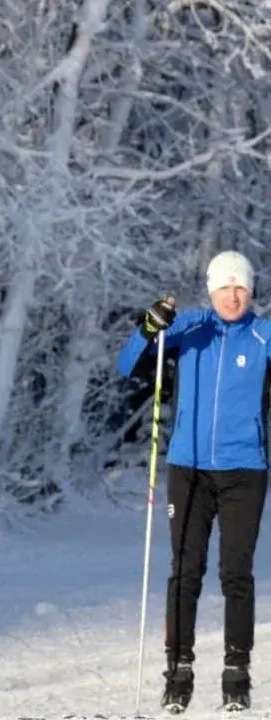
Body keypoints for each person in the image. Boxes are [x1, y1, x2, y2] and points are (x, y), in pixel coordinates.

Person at [117, 250, 271, 713]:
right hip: (190, 469)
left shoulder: (263, 336)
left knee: (236, 574)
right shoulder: (188, 329)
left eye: (240, 287)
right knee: (185, 572)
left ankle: (236, 676)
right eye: (224, 287)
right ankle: (178, 673)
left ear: (251, 291)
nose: (232, 296)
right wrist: (149, 327)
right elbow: (128, 365)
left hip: (245, 470)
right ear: (211, 290)